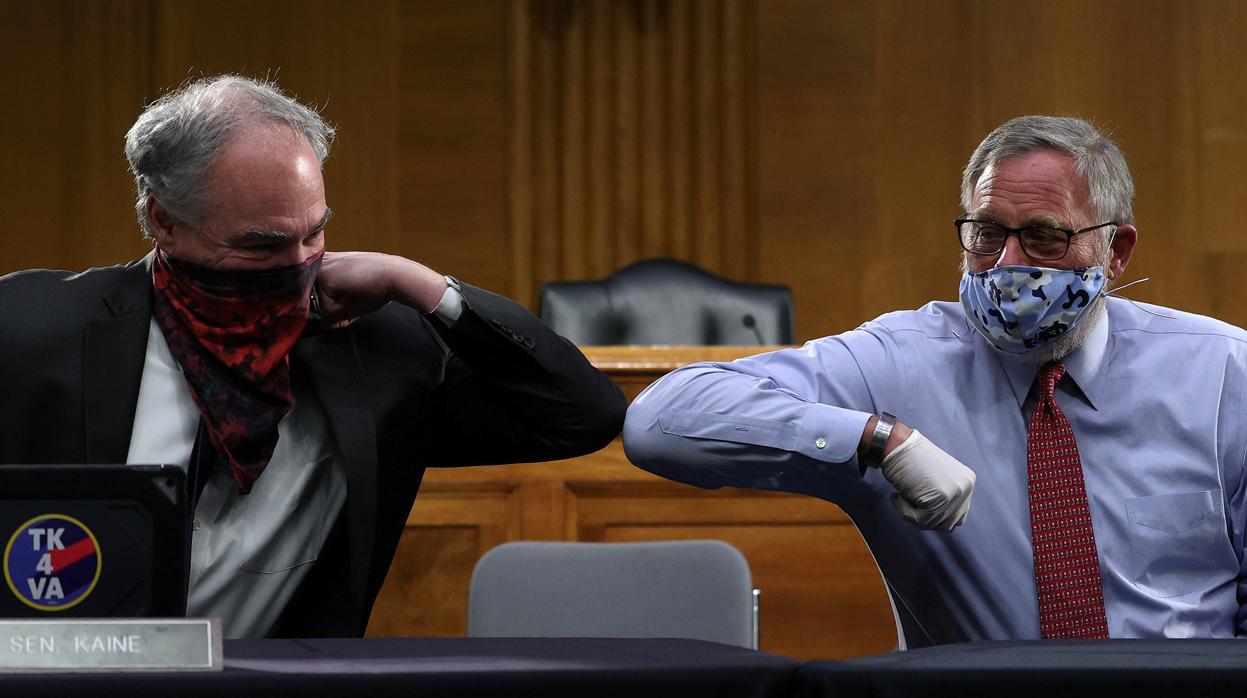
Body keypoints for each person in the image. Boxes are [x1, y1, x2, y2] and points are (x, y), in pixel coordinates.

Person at [0, 75, 626, 638]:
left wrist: (423, 286)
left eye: (315, 233)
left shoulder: (381, 352)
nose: (298, 265)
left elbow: (581, 415)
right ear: (164, 222)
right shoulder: (29, 327)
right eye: (262, 247)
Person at [623, 115, 1247, 645]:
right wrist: (878, 441)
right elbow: (659, 420)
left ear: (1116, 251)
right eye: (988, 234)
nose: (1009, 264)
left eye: (1044, 238)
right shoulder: (901, 361)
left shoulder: (1222, 371)